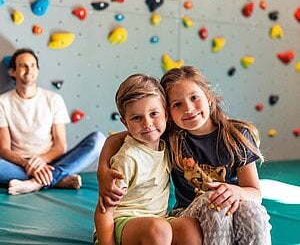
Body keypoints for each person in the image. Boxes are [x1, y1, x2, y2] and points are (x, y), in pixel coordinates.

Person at [97, 66, 271, 245]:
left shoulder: (236, 135)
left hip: (231, 207)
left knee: (253, 211)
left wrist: (236, 191)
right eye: (177, 104)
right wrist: (103, 170)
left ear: (209, 98)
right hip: (190, 213)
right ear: (169, 113)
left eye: (194, 98)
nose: (188, 109)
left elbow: (255, 193)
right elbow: (116, 139)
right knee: (215, 201)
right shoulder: (172, 135)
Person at [94, 73, 202, 245]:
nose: (147, 123)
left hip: (159, 221)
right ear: (125, 123)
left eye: (154, 114)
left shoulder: (167, 142)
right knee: (159, 229)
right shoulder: (128, 158)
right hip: (121, 224)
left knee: (191, 228)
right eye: (136, 118)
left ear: (166, 115)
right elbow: (104, 211)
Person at [0, 48, 105, 195]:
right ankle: (58, 180)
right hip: (20, 165)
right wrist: (29, 164)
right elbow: (4, 150)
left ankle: (35, 183)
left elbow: (60, 146)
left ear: (38, 70)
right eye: (23, 65)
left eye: (33, 65)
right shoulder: (2, 102)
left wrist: (42, 160)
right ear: (13, 72)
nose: (29, 70)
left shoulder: (54, 99)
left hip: (52, 161)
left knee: (99, 140)